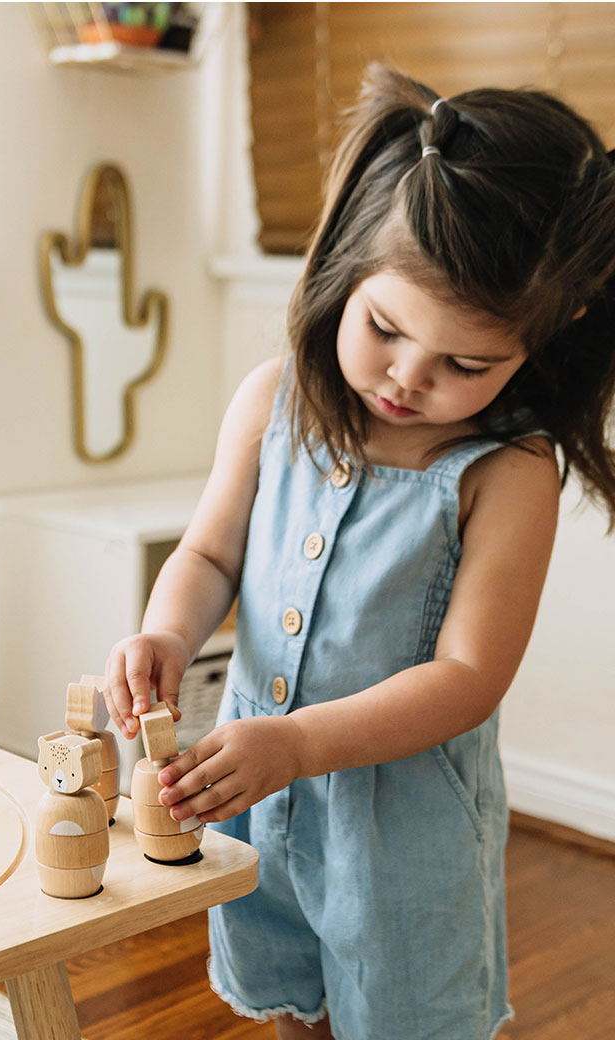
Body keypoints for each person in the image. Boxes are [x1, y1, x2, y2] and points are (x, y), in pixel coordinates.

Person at [102, 64, 615, 1040]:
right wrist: (164, 630)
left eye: (464, 364)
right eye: (382, 327)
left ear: (550, 333)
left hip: (399, 826)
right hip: (258, 789)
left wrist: (297, 743)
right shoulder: (269, 402)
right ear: (346, 265)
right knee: (288, 989)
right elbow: (209, 552)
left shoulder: (501, 471)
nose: (406, 377)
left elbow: (468, 675)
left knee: (403, 1009)